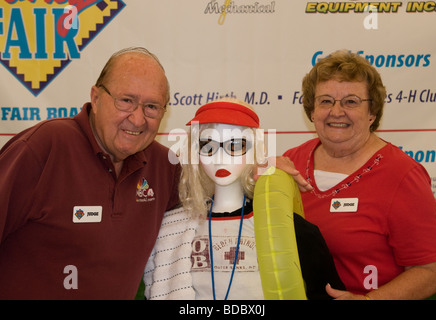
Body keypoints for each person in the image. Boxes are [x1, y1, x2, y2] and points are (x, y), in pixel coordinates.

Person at [0, 47, 181, 299]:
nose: (138, 119)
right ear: (96, 98)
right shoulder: (43, 148)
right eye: (126, 101)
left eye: (151, 106)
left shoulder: (166, 167)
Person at [144, 98, 344, 300]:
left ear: (255, 150)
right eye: (207, 145)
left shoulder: (291, 229)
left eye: (235, 145)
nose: (220, 157)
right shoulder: (171, 228)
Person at [283, 49, 436, 300]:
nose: (337, 111)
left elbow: (431, 270)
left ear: (372, 113)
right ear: (312, 111)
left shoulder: (403, 175)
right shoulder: (289, 162)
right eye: (325, 101)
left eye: (351, 101)